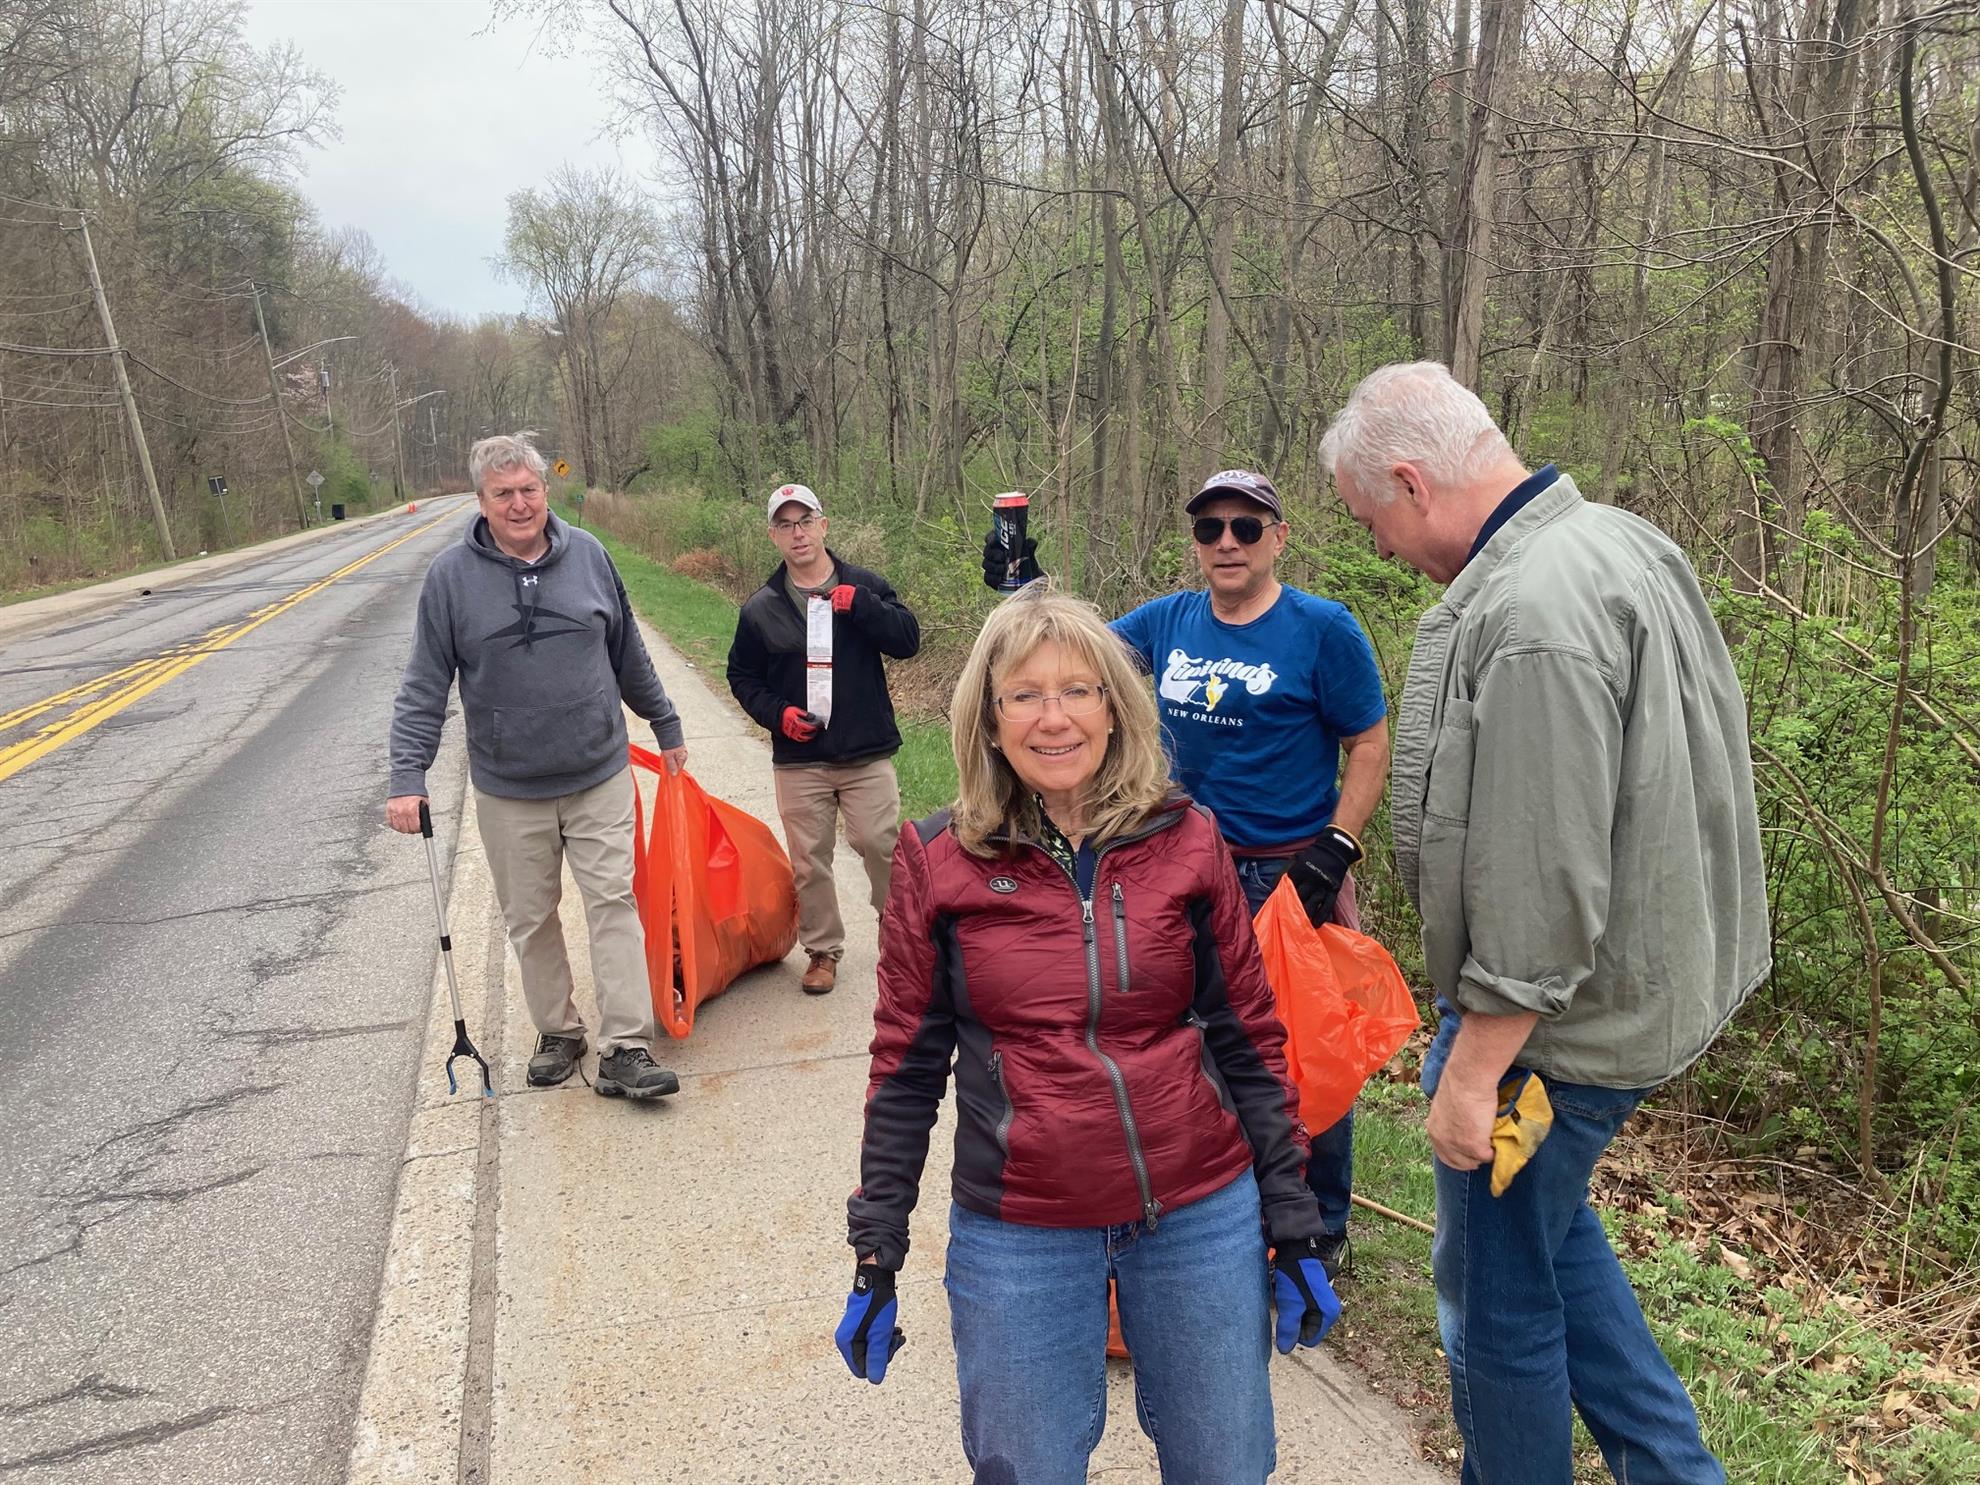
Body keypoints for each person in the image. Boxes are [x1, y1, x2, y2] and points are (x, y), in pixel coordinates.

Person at [1320, 361, 1769, 1485]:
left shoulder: (1531, 615)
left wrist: (1474, 1072)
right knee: (1548, 1241)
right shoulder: (1617, 540)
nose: (1380, 547)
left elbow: (1542, 870)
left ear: (1412, 483)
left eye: (1370, 519)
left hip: (1547, 1048)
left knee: (1496, 1304)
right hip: (1628, 997)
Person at [836, 588, 1340, 1484]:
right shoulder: (939, 860)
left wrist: (1294, 1216)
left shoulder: (1189, 838)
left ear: (1115, 707)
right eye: (1025, 694)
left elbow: (1247, 1036)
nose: (1054, 717)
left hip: (1197, 1209)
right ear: (990, 720)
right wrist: (878, 1247)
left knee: (1227, 1466)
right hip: (1020, 1226)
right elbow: (906, 1067)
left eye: (1078, 690)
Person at [982, 470, 1389, 1276]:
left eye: (1246, 527)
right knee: (1194, 1041)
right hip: (1178, 865)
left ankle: (1322, 1221)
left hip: (1289, 875)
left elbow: (1370, 743)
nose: (1227, 542)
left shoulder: (1323, 628)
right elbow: (1074, 655)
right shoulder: (1168, 620)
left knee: (1301, 1049)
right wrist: (1026, 589)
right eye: (1210, 529)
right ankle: (1229, 1205)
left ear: (1279, 538)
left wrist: (1337, 845)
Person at [386, 431, 684, 1101]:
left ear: (546, 490)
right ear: (481, 501)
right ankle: (559, 1030)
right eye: (503, 494)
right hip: (509, 788)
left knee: (613, 903)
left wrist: (664, 722)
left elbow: (627, 652)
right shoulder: (450, 579)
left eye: (528, 489)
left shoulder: (591, 556)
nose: (519, 504)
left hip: (597, 772)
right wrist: (408, 775)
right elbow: (424, 684)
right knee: (530, 916)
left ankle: (626, 1046)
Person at [727, 483, 920, 994]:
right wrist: (778, 715)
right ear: (773, 536)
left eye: (805, 521)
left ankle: (901, 937)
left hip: (865, 750)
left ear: (823, 526)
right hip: (800, 758)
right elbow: (742, 677)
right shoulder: (762, 607)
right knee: (809, 860)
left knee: (881, 844)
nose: (798, 533)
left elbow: (908, 640)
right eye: (785, 525)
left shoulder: (865, 585)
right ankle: (822, 951)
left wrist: (864, 607)